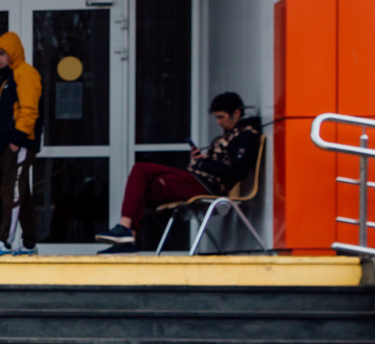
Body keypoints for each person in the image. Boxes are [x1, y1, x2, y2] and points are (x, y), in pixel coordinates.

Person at [98, 92, 263, 251]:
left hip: (205, 185)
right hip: (196, 178)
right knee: (142, 183)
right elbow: (220, 164)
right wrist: (201, 160)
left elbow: (237, 172)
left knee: (141, 170)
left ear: (236, 113)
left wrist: (203, 164)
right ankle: (127, 239)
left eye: (221, 117)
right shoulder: (230, 135)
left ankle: (125, 231)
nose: (218, 122)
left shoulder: (246, 136)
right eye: (216, 118)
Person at [0, 31, 42, 255]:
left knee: (11, 191)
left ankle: (6, 242)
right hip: (12, 145)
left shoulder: (25, 74)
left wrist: (17, 139)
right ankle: (29, 243)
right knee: (21, 192)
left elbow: (29, 109)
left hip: (19, 144)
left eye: (1, 53)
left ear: (12, 53)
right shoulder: (11, 77)